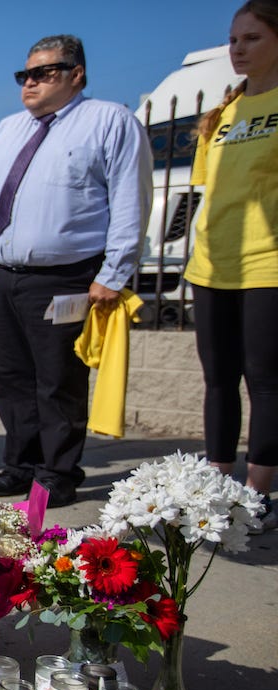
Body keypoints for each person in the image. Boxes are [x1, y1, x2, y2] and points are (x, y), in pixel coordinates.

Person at [0, 35, 152, 508]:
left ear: (76, 74)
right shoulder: (6, 130)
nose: (29, 83)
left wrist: (114, 272)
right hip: (3, 276)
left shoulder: (108, 121)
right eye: (24, 74)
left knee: (57, 380)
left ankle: (57, 472)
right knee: (8, 377)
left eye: (43, 73)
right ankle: (20, 464)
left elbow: (131, 199)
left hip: (66, 276)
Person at [184, 1, 278, 531]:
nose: (238, 49)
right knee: (218, 378)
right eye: (234, 39)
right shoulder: (221, 115)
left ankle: (258, 490)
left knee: (265, 381)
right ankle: (216, 484)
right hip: (211, 266)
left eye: (253, 38)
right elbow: (209, 195)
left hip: (268, 264)